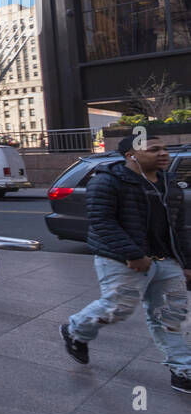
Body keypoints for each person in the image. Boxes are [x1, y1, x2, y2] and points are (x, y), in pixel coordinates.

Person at [61, 135, 191, 393]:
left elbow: (177, 228)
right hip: (121, 258)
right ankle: (76, 329)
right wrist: (133, 254)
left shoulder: (169, 183)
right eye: (154, 150)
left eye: (164, 149)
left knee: (170, 316)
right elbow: (102, 221)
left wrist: (186, 262)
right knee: (117, 309)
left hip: (165, 259)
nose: (163, 153)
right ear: (131, 155)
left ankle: (183, 371)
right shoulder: (107, 181)